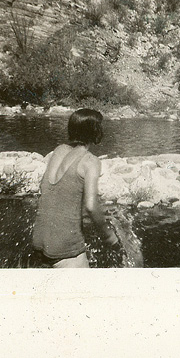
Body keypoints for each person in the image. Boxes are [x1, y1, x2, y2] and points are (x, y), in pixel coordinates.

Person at [32, 108, 118, 268]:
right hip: (65, 248)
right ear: (96, 132)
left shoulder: (59, 150)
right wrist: (109, 236)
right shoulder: (91, 161)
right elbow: (91, 206)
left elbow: (52, 191)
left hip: (38, 240)